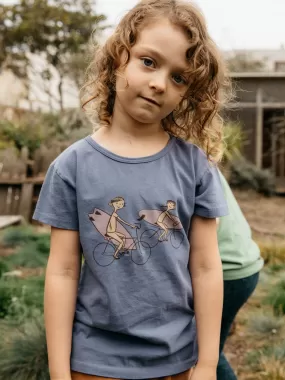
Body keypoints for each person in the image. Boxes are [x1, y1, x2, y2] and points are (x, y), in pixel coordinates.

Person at [33, 1, 230, 379]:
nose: (159, 82)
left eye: (179, 78)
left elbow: (206, 267)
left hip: (176, 362)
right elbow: (62, 271)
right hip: (93, 363)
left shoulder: (195, 167)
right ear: (118, 56)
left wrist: (206, 363)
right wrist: (59, 373)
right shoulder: (71, 167)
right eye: (149, 62)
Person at [217, 170, 264, 380]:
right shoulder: (195, 155)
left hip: (226, 270)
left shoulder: (186, 162)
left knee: (201, 352)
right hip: (243, 264)